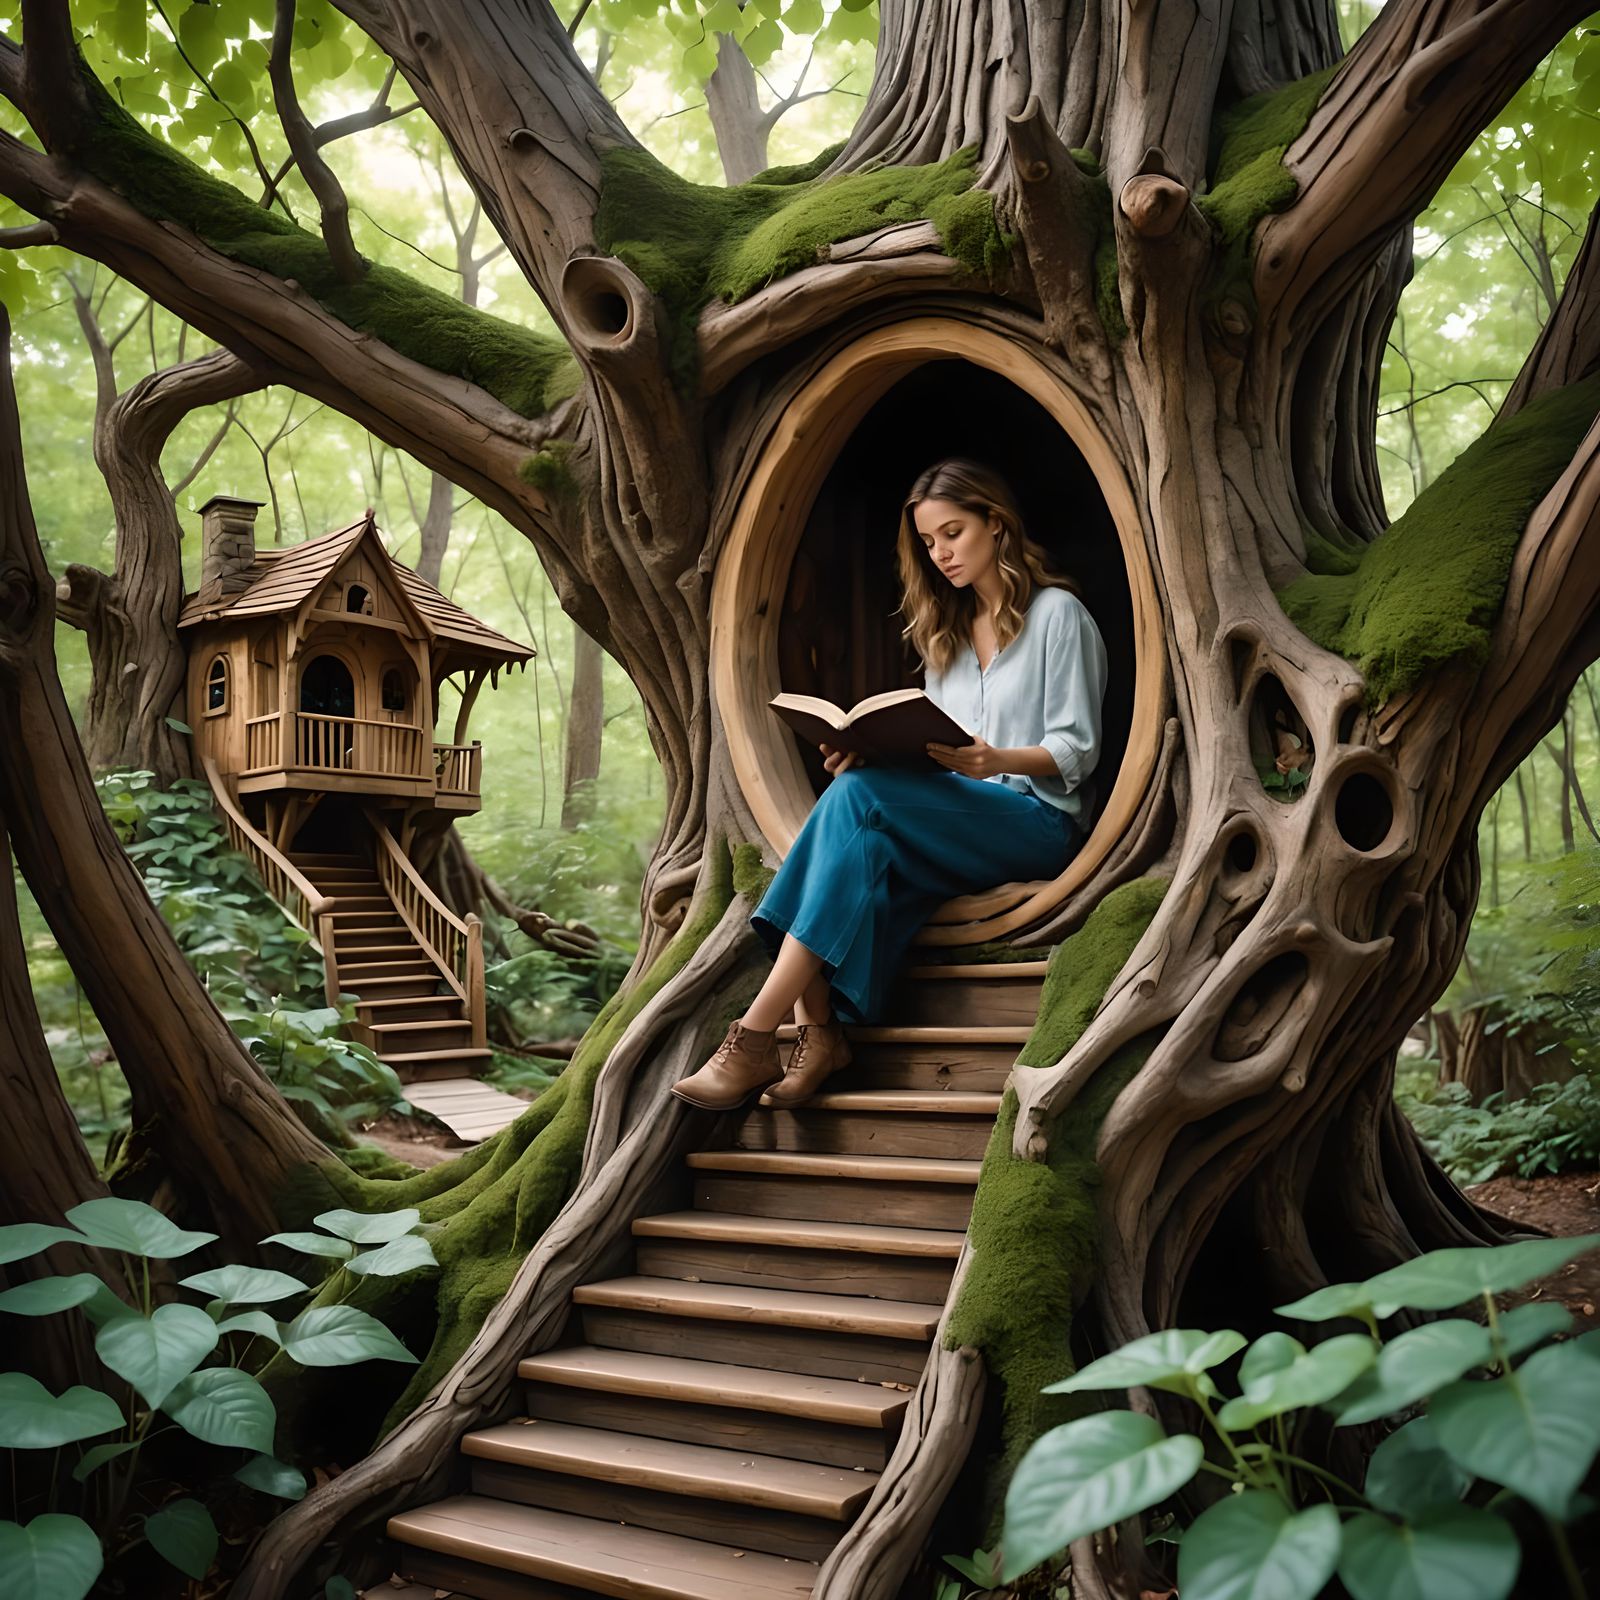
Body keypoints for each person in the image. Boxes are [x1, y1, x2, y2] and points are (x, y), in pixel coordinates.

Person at [672, 457, 1110, 1111]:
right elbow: (935, 755)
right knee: (859, 812)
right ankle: (819, 1033)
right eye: (929, 542)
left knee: (856, 801)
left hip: (1038, 823)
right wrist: (872, 754)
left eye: (953, 533)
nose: (942, 554)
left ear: (996, 524)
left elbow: (1079, 750)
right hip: (959, 821)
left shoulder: (1057, 615)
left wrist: (997, 759)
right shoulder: (948, 638)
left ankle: (756, 1038)